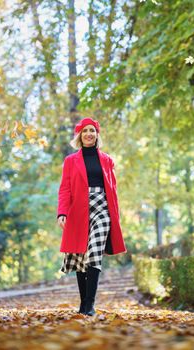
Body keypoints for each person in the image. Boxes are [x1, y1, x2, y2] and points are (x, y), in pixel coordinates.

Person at [56, 117, 127, 316]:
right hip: (78, 209)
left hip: (102, 208)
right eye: (85, 131)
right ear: (80, 135)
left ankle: (89, 305)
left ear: (97, 135)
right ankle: (83, 303)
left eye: (93, 130)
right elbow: (65, 189)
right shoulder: (70, 161)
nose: (89, 134)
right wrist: (62, 212)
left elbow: (113, 190)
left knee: (94, 253)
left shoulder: (107, 160)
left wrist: (115, 216)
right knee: (80, 255)